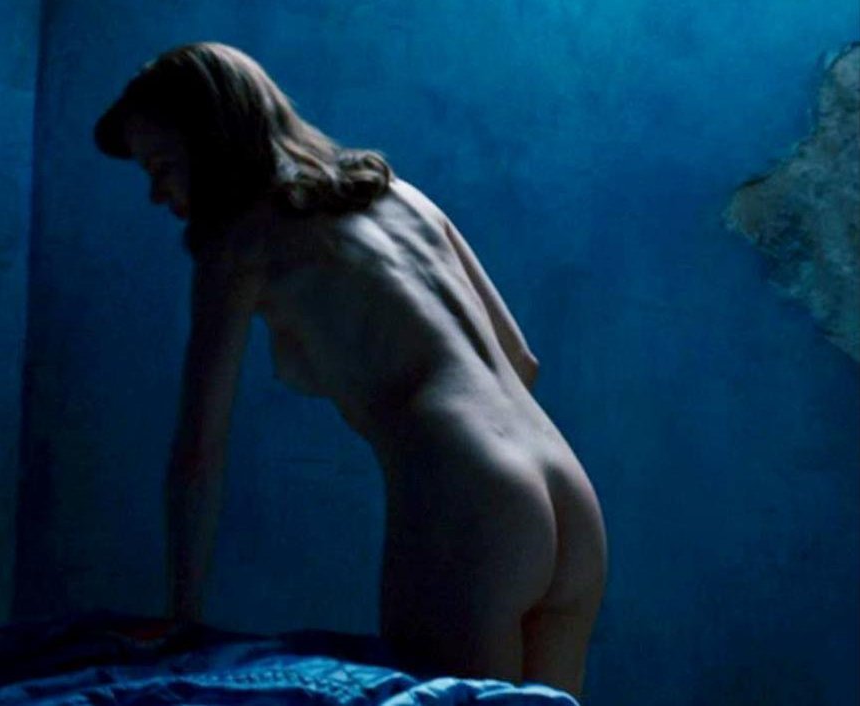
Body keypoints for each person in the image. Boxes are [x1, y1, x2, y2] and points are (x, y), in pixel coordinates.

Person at [94, 42, 606, 695]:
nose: (156, 193)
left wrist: (182, 617)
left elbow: (199, 451)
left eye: (163, 167)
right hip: (567, 491)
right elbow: (521, 359)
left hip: (472, 500)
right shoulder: (400, 195)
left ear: (210, 142)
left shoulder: (240, 243)